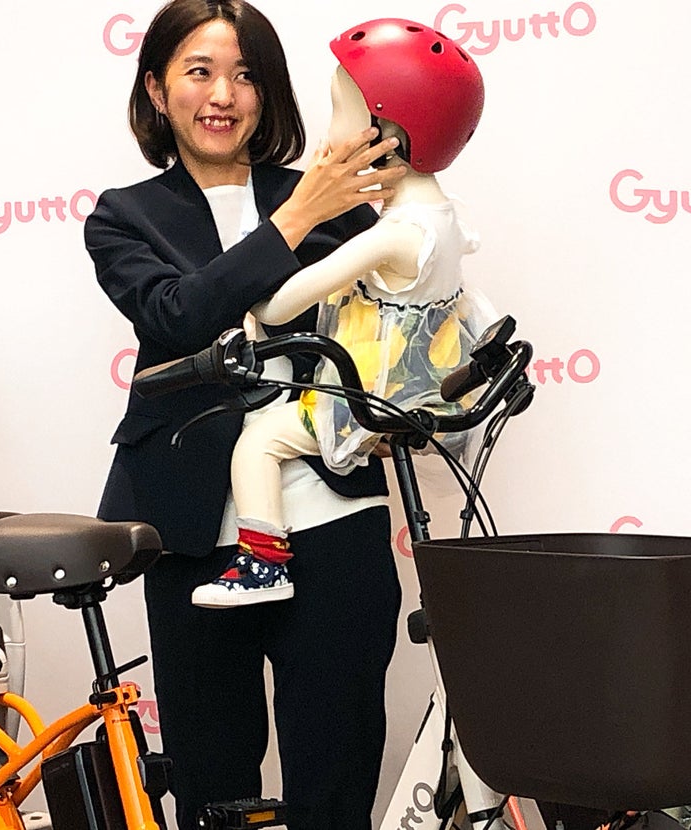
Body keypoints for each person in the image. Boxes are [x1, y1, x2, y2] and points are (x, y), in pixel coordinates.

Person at [84, 2, 407, 829]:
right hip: (194, 530)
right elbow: (179, 316)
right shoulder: (124, 216)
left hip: (333, 517)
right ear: (157, 90)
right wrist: (297, 218)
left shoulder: (333, 198)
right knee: (214, 792)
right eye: (199, 72)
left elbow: (387, 320)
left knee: (335, 786)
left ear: (269, 94)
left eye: (245, 75)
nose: (223, 95)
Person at [190, 18, 489, 608]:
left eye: (339, 112)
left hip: (374, 395)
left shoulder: (391, 234)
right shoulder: (446, 219)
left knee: (258, 442)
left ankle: (262, 561)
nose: (328, 133)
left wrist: (249, 283)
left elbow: (279, 305)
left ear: (388, 134)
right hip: (420, 384)